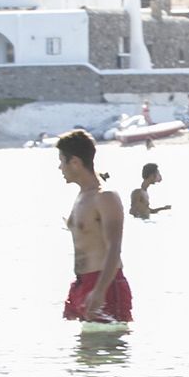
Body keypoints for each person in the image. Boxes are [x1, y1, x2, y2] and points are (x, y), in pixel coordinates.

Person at [56, 130, 131, 324]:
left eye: (62, 161)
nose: (59, 167)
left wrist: (99, 291)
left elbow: (114, 246)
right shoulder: (82, 196)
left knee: (111, 347)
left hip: (105, 284)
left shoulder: (105, 197)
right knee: (84, 353)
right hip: (82, 283)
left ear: (75, 162)